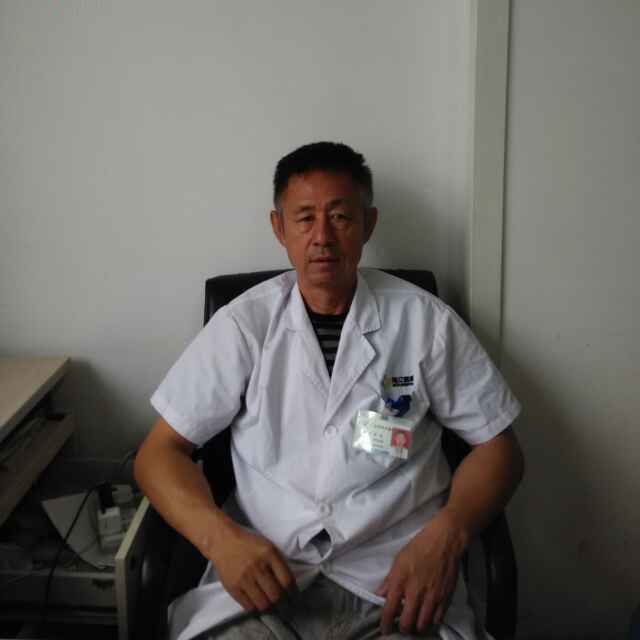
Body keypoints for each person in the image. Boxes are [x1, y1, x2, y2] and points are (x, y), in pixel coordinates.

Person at [134, 142, 524, 640]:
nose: (322, 237)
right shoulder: (244, 326)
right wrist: (221, 541)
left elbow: (500, 449)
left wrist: (449, 534)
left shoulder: (425, 323)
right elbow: (158, 454)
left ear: (368, 224)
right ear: (279, 228)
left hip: (394, 582)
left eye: (340, 217)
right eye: (304, 219)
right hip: (265, 583)